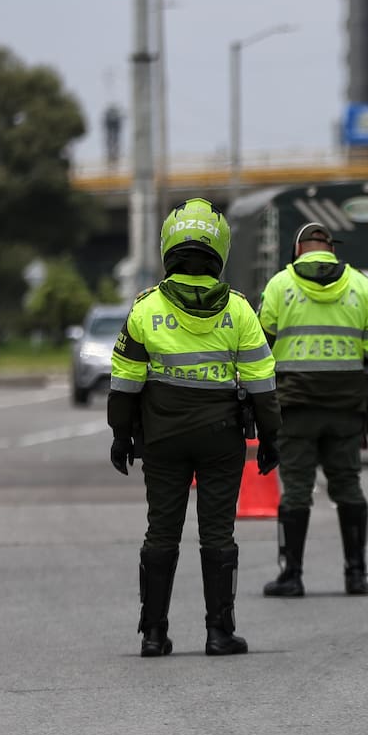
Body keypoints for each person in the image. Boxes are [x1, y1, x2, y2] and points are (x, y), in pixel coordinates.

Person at [109, 198, 281, 658]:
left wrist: (121, 435)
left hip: (161, 438)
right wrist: (270, 438)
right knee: (218, 533)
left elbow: (124, 382)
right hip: (221, 438)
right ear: (219, 248)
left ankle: (153, 634)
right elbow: (263, 384)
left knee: (161, 532)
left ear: (169, 245)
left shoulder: (145, 308)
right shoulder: (239, 310)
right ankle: (219, 633)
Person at [258, 222, 368, 598]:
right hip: (346, 407)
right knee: (348, 485)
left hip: (296, 407)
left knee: (296, 490)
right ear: (331, 249)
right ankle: (356, 575)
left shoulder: (280, 285)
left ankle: (291, 576)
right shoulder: (361, 286)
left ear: (297, 250)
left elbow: (260, 342)